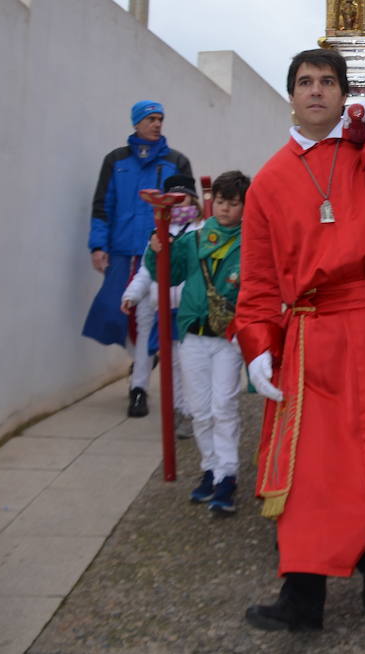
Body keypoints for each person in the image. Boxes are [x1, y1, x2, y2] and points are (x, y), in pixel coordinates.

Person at [236, 48, 365, 632]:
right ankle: (303, 598)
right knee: (312, 467)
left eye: (327, 82)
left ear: (344, 95)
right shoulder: (268, 180)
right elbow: (261, 275)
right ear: (291, 96)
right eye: (304, 83)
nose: (316, 91)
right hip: (314, 330)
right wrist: (257, 343)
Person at [147, 170, 248, 515]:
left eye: (233, 204)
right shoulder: (194, 239)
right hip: (192, 336)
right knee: (200, 410)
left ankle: (228, 475)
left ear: (244, 207)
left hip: (227, 340)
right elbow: (167, 273)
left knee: (224, 406)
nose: (225, 210)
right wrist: (156, 250)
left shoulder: (252, 243)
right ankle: (210, 469)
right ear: (213, 202)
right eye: (221, 202)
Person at [84, 100, 193, 418]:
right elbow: (102, 205)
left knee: (146, 319)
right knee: (113, 312)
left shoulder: (176, 161)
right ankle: (143, 360)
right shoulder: (115, 160)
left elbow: (189, 208)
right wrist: (97, 246)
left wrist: (176, 241)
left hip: (159, 254)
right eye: (150, 119)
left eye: (160, 119)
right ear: (136, 123)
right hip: (120, 250)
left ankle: (138, 388)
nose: (157, 124)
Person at [120, 173, 200, 435]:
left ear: (193, 199)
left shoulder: (201, 230)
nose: (177, 204)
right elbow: (146, 270)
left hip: (191, 311)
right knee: (174, 365)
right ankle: (180, 410)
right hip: (165, 311)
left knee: (191, 364)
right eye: (172, 200)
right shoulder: (157, 233)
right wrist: (131, 295)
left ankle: (192, 410)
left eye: (182, 198)